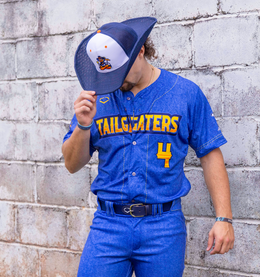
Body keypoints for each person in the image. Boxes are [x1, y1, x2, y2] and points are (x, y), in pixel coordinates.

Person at [62, 16, 234, 277]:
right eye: (108, 76)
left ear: (140, 51)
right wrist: (83, 127)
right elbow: (72, 165)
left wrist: (224, 218)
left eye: (119, 73)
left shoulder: (185, 94)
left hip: (163, 227)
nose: (115, 82)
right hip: (109, 225)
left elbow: (210, 155)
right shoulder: (97, 98)